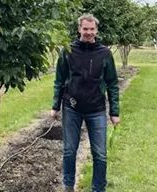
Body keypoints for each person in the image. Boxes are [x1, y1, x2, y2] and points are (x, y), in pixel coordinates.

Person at [51, 14, 120, 192]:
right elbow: (59, 80)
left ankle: (98, 188)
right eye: (85, 29)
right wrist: (55, 106)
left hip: (96, 109)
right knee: (69, 151)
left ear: (96, 30)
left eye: (91, 29)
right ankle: (68, 186)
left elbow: (112, 83)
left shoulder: (104, 53)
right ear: (79, 29)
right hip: (71, 107)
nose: (88, 32)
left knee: (100, 154)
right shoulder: (67, 51)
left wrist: (114, 112)